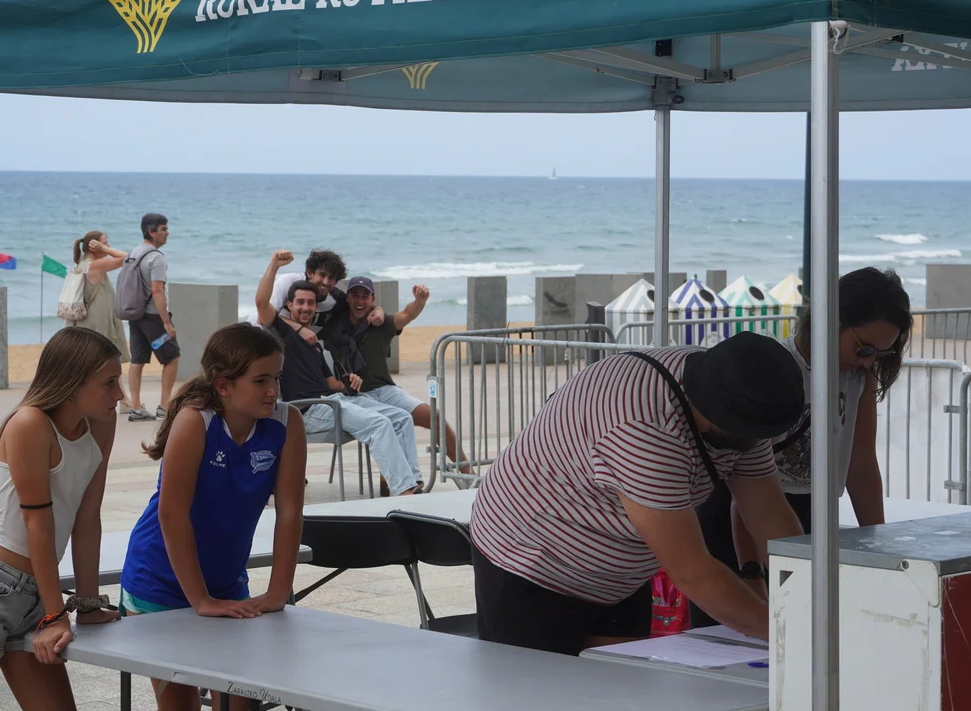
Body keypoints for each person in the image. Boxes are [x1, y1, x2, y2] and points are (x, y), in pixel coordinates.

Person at [470, 333, 806, 655]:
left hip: (619, 575)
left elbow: (768, 511)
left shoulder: (741, 394)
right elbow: (693, 572)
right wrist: (790, 631)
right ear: (722, 415)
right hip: (533, 561)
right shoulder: (644, 429)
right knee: (537, 687)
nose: (758, 442)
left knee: (620, 684)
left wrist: (807, 598)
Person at [690, 267, 913, 625]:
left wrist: (879, 547)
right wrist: (752, 575)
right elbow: (745, 493)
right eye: (864, 348)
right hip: (739, 511)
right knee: (734, 634)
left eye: (881, 354)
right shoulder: (777, 368)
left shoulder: (860, 376)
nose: (868, 361)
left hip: (812, 510)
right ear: (829, 321)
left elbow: (860, 467)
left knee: (806, 626)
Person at [0, 327, 123, 711]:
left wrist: (87, 605)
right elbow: (39, 526)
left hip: (38, 590)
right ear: (72, 382)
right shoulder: (29, 423)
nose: (120, 394)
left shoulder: (102, 422)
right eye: (109, 383)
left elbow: (88, 519)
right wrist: (55, 615)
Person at [119, 323, 306, 711]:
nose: (273, 391)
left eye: (276, 378)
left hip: (226, 583)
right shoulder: (196, 421)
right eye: (260, 381)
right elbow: (172, 514)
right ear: (223, 385)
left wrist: (278, 591)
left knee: (243, 699)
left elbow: (289, 512)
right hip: (160, 582)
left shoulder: (287, 423)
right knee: (181, 703)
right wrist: (200, 600)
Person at [256, 250, 423, 496]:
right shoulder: (280, 332)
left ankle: (414, 483)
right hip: (307, 409)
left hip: (333, 400)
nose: (305, 308)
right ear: (289, 305)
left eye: (310, 303)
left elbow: (331, 383)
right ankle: (404, 490)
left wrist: (349, 382)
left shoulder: (314, 343)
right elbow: (261, 303)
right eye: (300, 302)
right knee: (379, 424)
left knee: (401, 417)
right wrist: (274, 265)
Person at [319, 277, 473, 489]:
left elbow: (406, 315)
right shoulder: (334, 326)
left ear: (373, 299)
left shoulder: (381, 322)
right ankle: (401, 483)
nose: (360, 301)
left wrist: (419, 301)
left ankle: (468, 473)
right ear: (347, 298)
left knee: (434, 417)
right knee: (390, 423)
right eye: (355, 295)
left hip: (385, 390)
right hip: (353, 396)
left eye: (365, 296)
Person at [124, 212, 180, 422]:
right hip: (154, 318)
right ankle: (165, 406)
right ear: (151, 231)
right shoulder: (156, 258)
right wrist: (166, 322)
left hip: (135, 315)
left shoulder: (133, 253)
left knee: (137, 359)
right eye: (164, 229)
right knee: (172, 357)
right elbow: (157, 291)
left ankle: (136, 407)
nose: (167, 233)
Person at [67, 230, 129, 364]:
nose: (108, 246)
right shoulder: (95, 265)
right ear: (94, 246)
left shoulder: (81, 264)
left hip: (85, 319)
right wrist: (106, 249)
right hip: (97, 319)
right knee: (101, 357)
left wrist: (103, 248)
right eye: (105, 243)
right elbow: (130, 259)